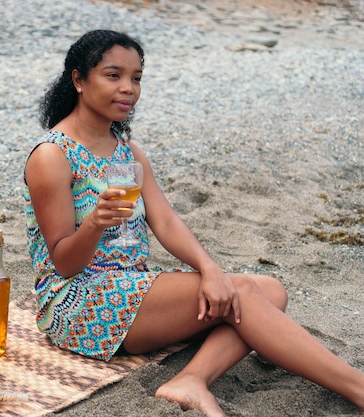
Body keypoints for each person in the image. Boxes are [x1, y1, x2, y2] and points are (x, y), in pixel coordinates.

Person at [23, 29, 364, 417]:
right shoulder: (52, 156)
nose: (128, 89)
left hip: (132, 286)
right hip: (78, 303)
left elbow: (166, 222)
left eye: (136, 78)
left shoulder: (126, 150)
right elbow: (64, 263)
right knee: (246, 295)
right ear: (79, 80)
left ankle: (192, 379)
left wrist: (210, 268)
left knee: (269, 290)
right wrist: (96, 223)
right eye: (113, 75)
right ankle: (358, 389)